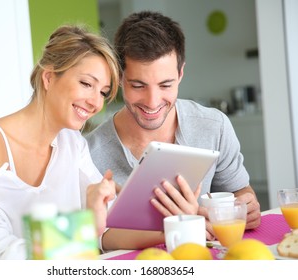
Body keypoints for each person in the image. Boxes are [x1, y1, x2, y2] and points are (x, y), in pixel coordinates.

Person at [85, 11, 261, 251]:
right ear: (119, 77)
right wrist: (186, 223)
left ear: (180, 74)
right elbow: (92, 241)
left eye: (165, 85)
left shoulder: (214, 126)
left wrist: (247, 206)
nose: (152, 101)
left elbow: (240, 191)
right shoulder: (88, 153)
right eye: (138, 85)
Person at [0, 25, 121, 259]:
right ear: (48, 77)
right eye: (87, 84)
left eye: (103, 93)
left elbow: (108, 223)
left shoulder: (72, 144)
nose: (96, 103)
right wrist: (86, 229)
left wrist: (165, 225)